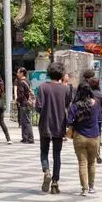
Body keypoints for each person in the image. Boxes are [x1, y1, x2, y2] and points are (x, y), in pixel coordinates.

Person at [36, 62, 72, 194]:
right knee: (57, 154)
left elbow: (38, 107)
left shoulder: (42, 88)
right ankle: (55, 182)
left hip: (45, 124)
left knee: (44, 151)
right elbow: (68, 104)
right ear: (61, 74)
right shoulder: (66, 89)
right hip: (59, 124)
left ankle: (46, 171)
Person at [67, 82, 102, 196]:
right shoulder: (96, 104)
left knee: (82, 163)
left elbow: (69, 121)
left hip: (79, 136)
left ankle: (84, 188)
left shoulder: (75, 105)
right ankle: (92, 187)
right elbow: (99, 118)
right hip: (94, 136)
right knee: (92, 163)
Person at [16, 67, 35, 143]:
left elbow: (21, 94)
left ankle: (30, 138)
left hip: (24, 103)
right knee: (25, 121)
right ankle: (25, 137)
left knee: (26, 121)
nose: (17, 74)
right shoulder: (28, 81)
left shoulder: (21, 82)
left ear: (21, 73)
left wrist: (17, 100)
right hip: (28, 103)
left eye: (18, 72)